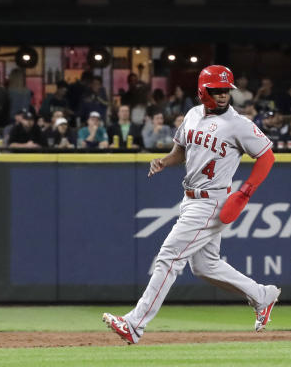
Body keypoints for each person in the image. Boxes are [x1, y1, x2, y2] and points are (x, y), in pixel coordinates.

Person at [102, 65, 280, 344]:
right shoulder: (193, 114)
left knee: (169, 256)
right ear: (202, 91)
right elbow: (180, 152)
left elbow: (267, 157)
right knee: (205, 266)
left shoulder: (238, 124)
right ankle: (262, 294)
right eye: (216, 90)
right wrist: (164, 161)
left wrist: (244, 193)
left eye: (226, 91)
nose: (222, 96)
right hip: (190, 198)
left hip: (212, 202)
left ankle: (135, 323)